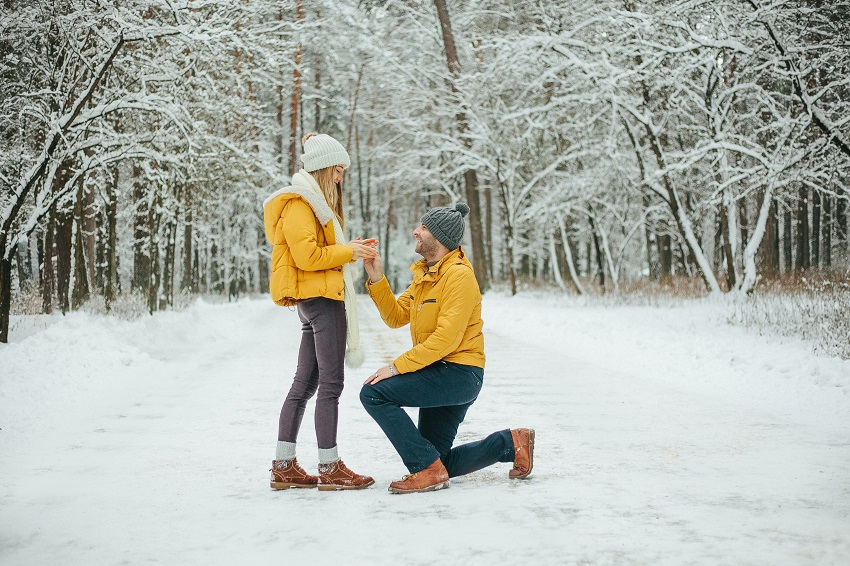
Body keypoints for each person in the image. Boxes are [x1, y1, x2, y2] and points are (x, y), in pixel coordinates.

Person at [359, 202, 535, 494]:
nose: (416, 231)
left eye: (423, 227)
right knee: (437, 460)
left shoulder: (458, 277)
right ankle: (511, 442)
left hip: (459, 374)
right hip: (440, 373)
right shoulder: (425, 275)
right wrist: (376, 276)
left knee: (373, 393)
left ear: (439, 237)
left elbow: (446, 340)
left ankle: (428, 471)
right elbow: (395, 317)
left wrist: (395, 368)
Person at [263, 132, 377, 491]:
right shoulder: (300, 204)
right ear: (323, 168)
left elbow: (318, 250)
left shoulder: (313, 204)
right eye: (338, 170)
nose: (341, 177)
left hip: (316, 299)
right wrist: (350, 252)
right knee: (331, 384)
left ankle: (284, 466)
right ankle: (330, 468)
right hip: (322, 302)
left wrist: (350, 247)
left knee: (306, 384)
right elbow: (308, 257)